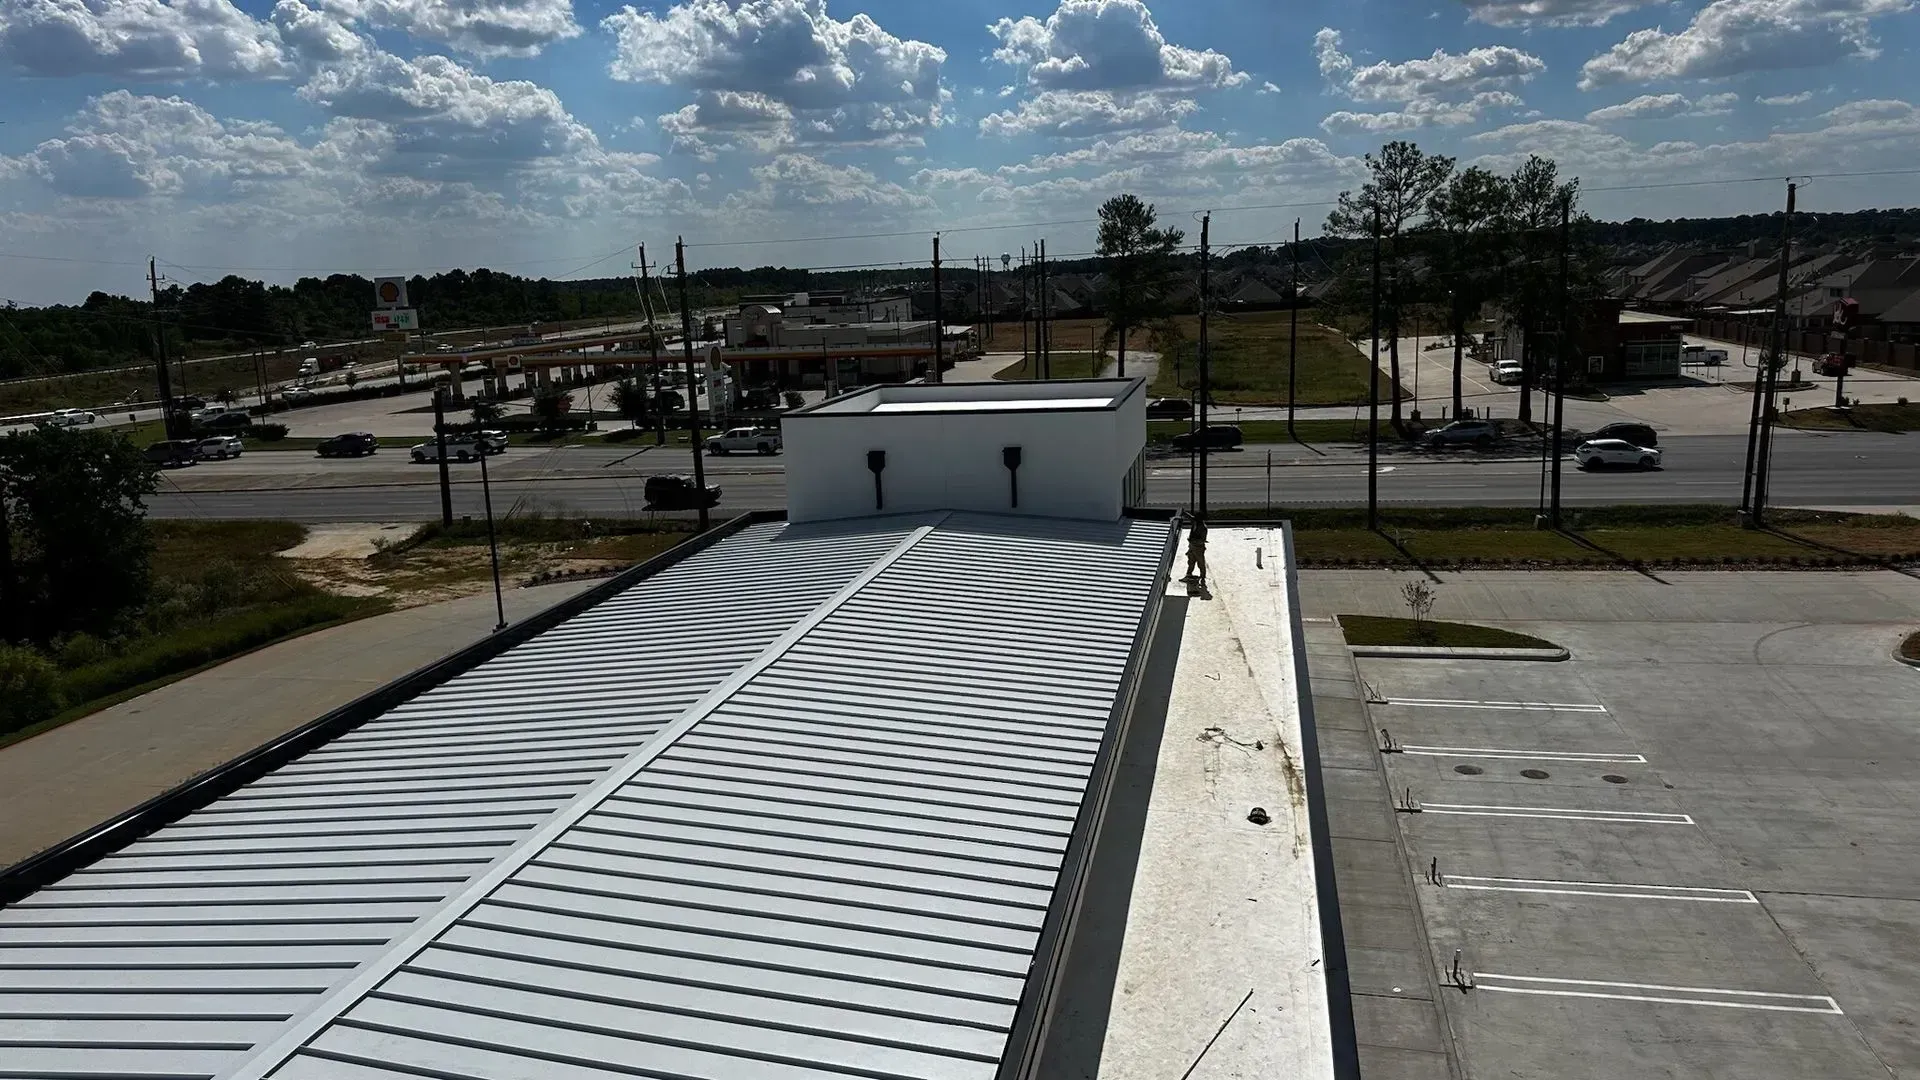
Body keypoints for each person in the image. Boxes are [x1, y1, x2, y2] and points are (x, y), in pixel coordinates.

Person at [1184, 513, 1208, 584]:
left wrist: (1192, 540)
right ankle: (1188, 575)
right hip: (1192, 546)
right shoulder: (1195, 522)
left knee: (1200, 563)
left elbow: (1202, 540)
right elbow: (1190, 517)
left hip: (1198, 548)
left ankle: (1203, 577)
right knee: (1191, 561)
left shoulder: (1203, 528)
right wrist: (1182, 512)